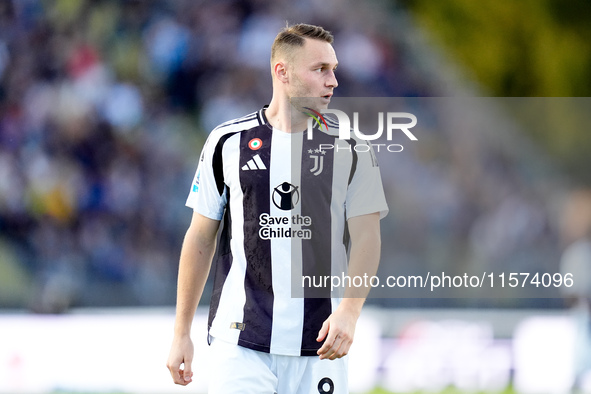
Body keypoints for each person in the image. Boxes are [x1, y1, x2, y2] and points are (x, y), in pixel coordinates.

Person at [166, 23, 388, 393]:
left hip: (319, 346)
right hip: (239, 344)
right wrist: (180, 332)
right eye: (320, 69)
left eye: (333, 69)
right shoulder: (226, 142)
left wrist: (349, 312)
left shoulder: (352, 147)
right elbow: (200, 236)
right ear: (281, 72)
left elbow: (368, 237)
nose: (332, 81)